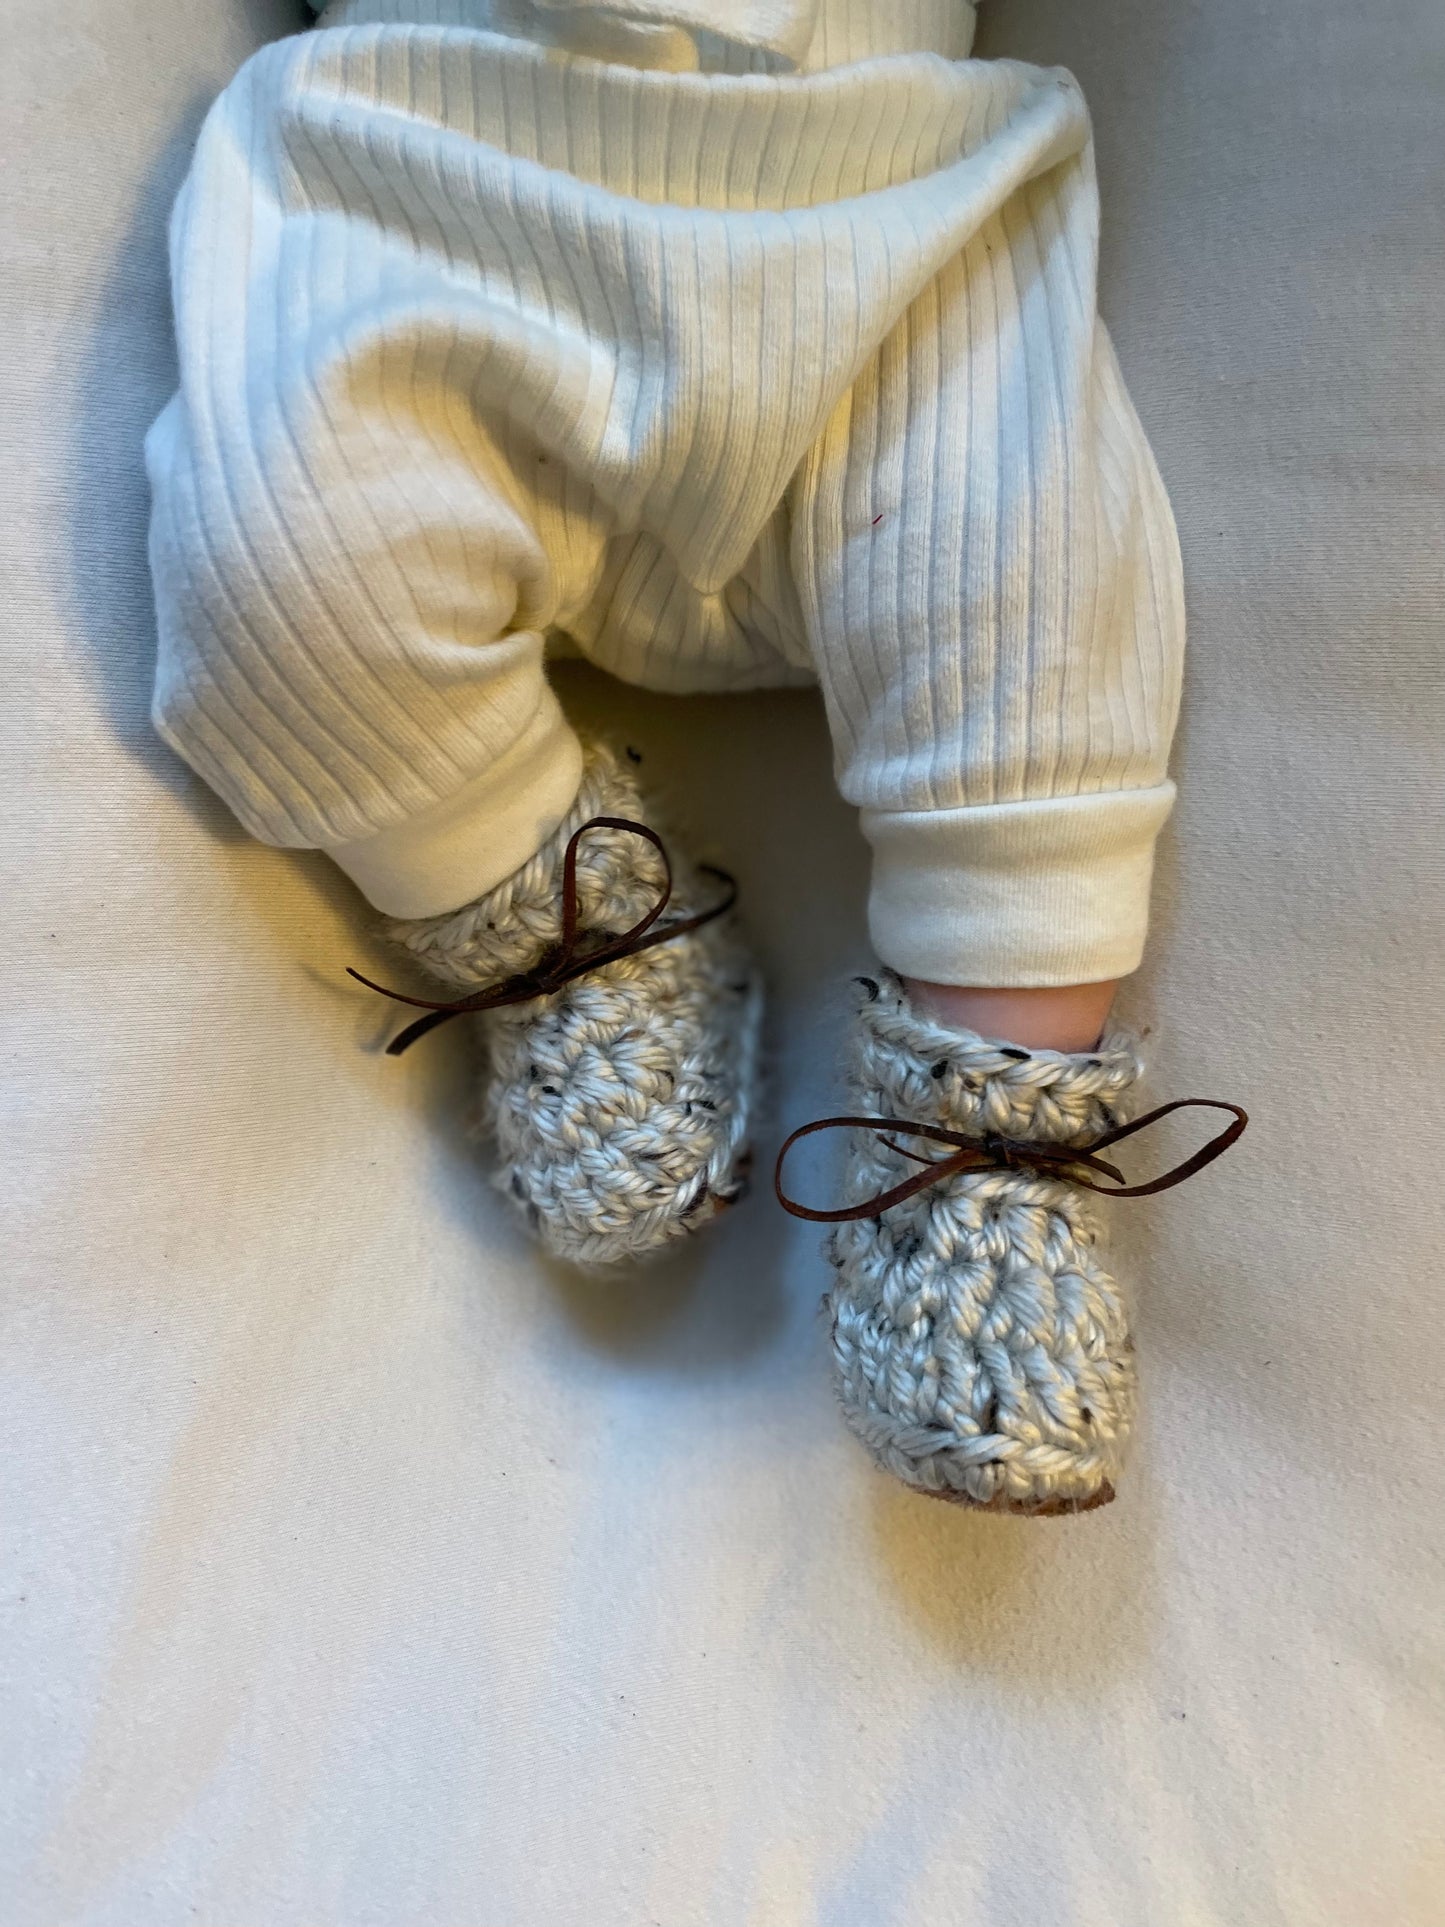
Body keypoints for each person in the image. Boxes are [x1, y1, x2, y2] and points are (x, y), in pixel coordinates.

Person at [146, 0, 1192, 1512]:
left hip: (883, 212)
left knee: (1032, 572)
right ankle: (571, 916)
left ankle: (988, 1122)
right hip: (422, 192)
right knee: (280, 570)